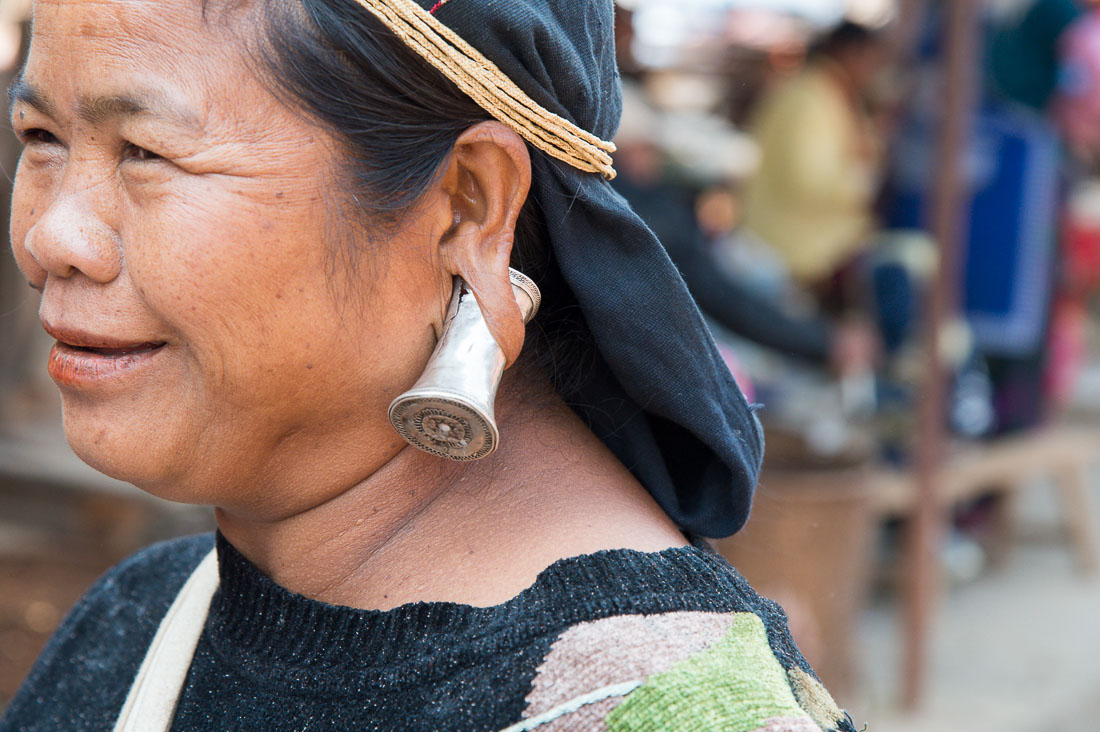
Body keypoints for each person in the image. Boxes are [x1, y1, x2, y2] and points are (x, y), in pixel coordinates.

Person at [0, 1, 856, 731]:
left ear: (468, 210)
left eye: (145, 151)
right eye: (39, 137)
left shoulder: (651, 705)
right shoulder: (139, 623)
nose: (50, 236)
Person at [743, 21, 887, 288]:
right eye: (871, 61)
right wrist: (861, 187)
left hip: (803, 247)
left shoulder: (830, 94)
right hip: (790, 250)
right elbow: (807, 179)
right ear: (848, 53)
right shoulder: (809, 99)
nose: (874, 71)